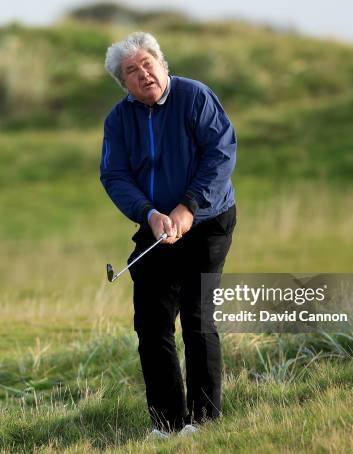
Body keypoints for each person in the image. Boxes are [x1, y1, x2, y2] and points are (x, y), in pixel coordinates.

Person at [100, 32, 237, 437]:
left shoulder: (195, 97)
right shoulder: (119, 119)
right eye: (132, 71)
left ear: (162, 63)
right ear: (123, 83)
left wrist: (189, 206)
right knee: (152, 322)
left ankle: (204, 421)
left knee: (196, 319)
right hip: (156, 227)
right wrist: (149, 213)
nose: (143, 74)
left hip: (208, 221)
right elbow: (115, 174)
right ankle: (167, 423)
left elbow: (221, 153)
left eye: (148, 63)